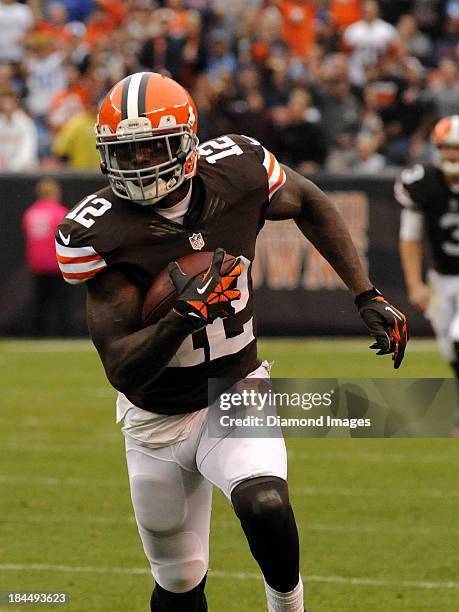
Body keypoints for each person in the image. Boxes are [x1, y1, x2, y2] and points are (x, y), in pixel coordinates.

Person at [55, 71, 408, 612]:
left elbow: (311, 201)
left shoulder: (237, 170)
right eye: (127, 153)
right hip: (156, 420)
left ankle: (286, 603)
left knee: (264, 502)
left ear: (187, 145)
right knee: (179, 581)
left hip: (235, 387)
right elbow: (122, 368)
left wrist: (366, 294)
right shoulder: (100, 233)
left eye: (154, 150)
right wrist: (182, 317)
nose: (141, 165)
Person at [396, 115, 459, 436]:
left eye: (457, 150)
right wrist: (414, 283)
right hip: (442, 277)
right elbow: (410, 236)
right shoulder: (424, 183)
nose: (452, 156)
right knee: (450, 348)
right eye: (447, 149)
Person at [22, 177, 70, 336]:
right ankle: (62, 332)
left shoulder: (30, 212)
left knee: (40, 300)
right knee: (61, 301)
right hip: (56, 264)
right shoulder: (60, 213)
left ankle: (37, 332)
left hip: (37, 264)